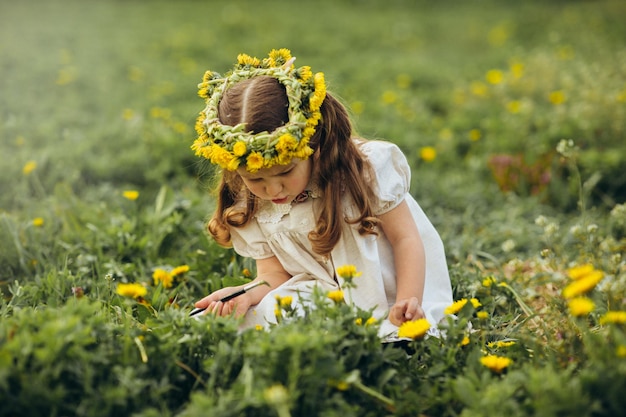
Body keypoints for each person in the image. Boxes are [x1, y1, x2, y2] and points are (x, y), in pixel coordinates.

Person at [192, 48, 453, 339]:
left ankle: (389, 336)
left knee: (397, 333)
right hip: (322, 295)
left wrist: (409, 298)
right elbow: (274, 276)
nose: (273, 189)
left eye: (285, 172)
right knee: (240, 321)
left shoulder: (363, 171)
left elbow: (406, 238)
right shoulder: (250, 204)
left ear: (313, 144)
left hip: (388, 294)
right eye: (255, 178)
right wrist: (246, 293)